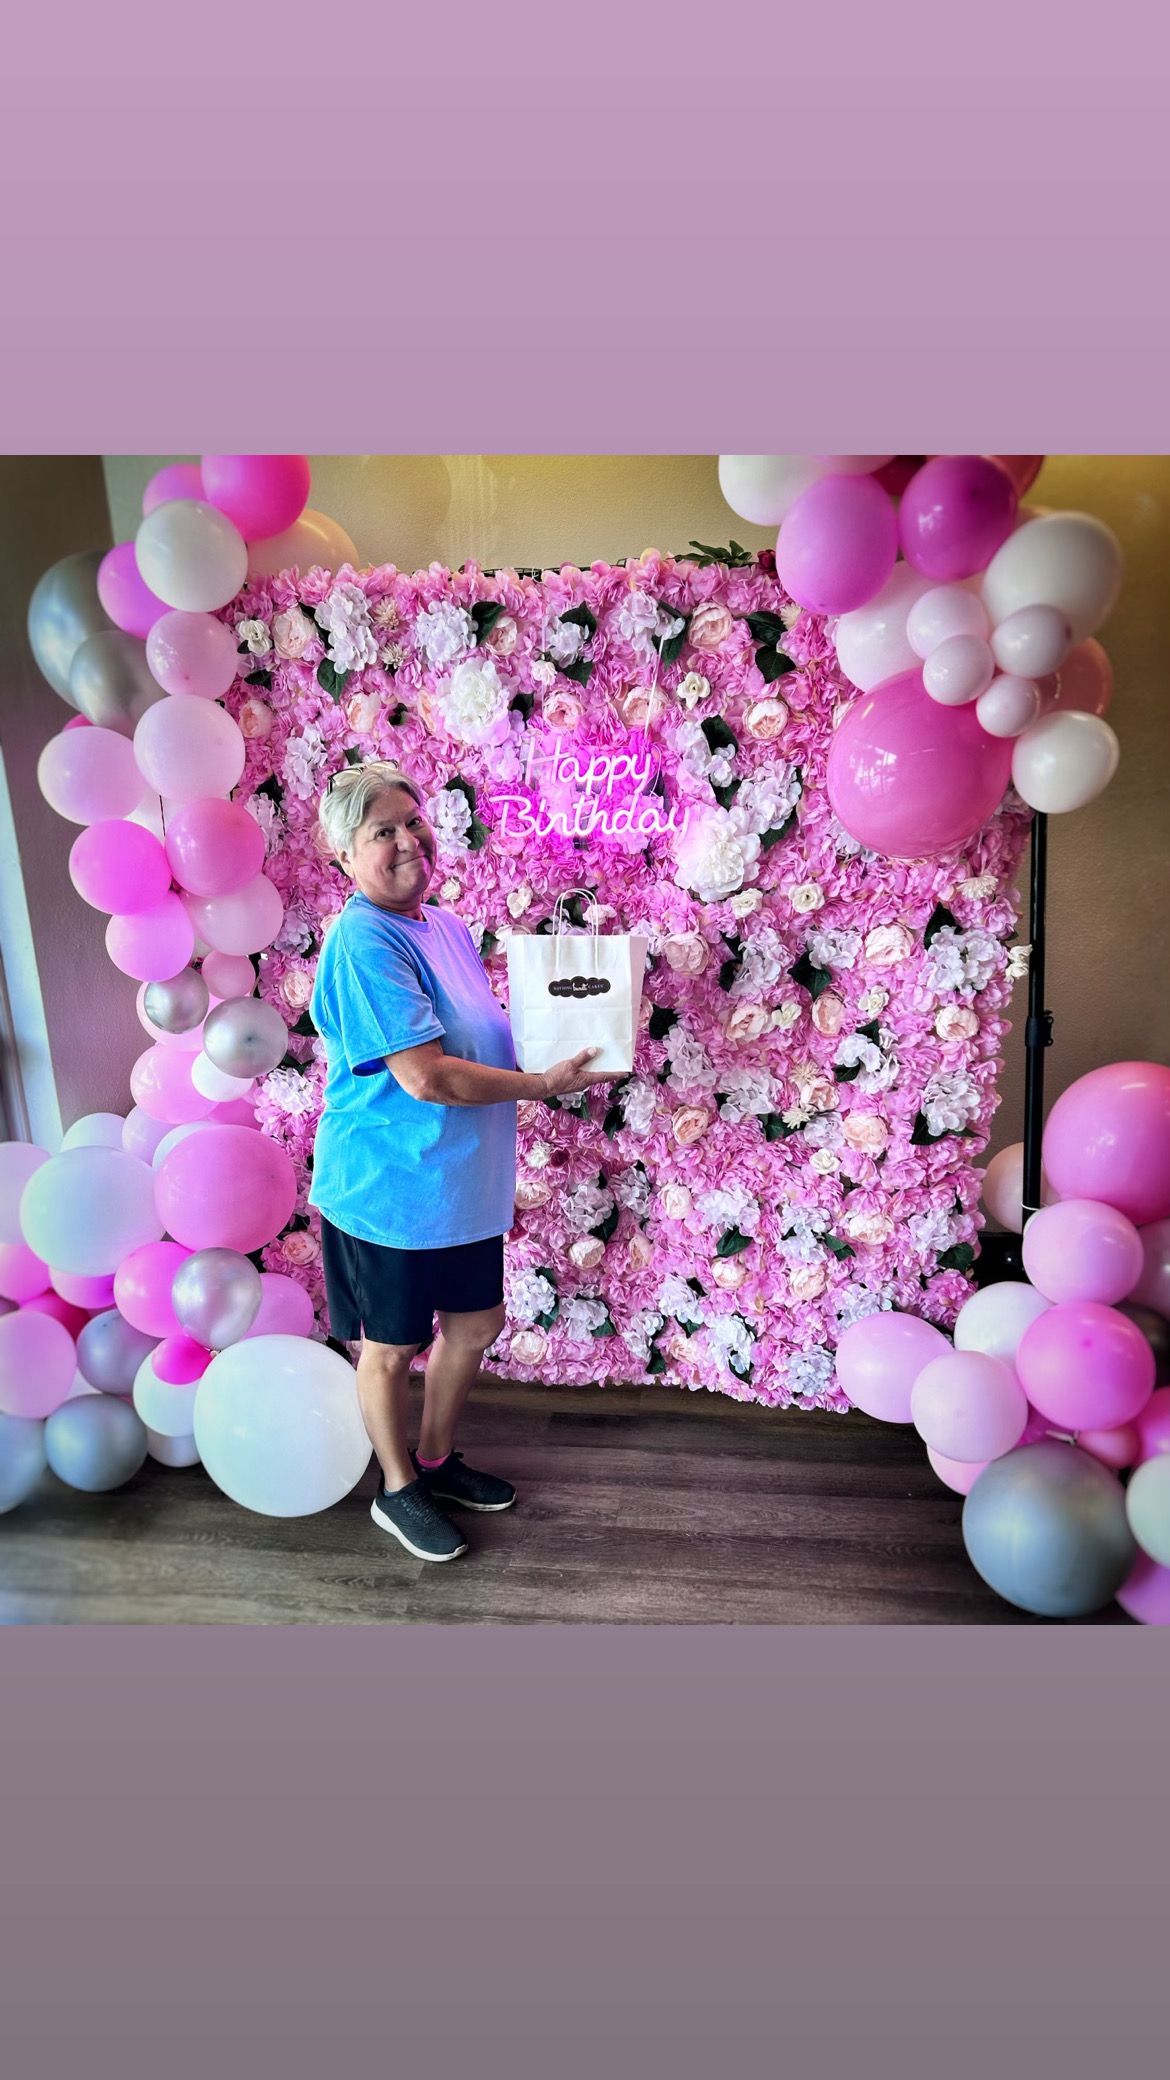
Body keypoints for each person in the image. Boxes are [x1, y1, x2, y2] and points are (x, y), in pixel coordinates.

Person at [309, 759, 610, 1563]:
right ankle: (397, 1488)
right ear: (345, 857)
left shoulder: (437, 924)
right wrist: (542, 1085)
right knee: (393, 1348)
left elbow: (481, 1033)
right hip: (391, 1187)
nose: (409, 839)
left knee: (476, 1325)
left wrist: (585, 1021)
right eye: (383, 831)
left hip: (459, 1183)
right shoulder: (361, 941)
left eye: (414, 820)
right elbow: (428, 1074)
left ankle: (437, 1463)